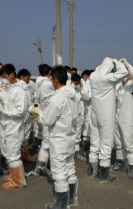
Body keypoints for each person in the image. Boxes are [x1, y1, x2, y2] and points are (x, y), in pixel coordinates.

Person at [31, 66, 78, 208]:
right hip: (70, 138)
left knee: (59, 174)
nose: (51, 82)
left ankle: (61, 206)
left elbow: (48, 120)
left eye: (52, 79)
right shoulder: (73, 95)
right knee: (70, 169)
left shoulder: (58, 97)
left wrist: (39, 111)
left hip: (59, 140)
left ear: (56, 80)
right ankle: (71, 200)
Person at [88, 57, 128, 183]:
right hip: (106, 114)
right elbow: (124, 73)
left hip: (94, 113)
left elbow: (98, 69)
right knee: (106, 142)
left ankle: (92, 171)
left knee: (95, 141)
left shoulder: (93, 76)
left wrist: (107, 63)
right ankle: (104, 175)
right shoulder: (107, 79)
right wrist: (117, 63)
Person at [0, 64, 28, 189]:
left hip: (14, 127)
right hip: (5, 125)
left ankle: (18, 181)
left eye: (4, 76)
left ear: (12, 75)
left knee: (13, 154)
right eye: (1, 76)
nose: (3, 79)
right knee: (8, 152)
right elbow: (0, 101)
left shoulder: (20, 91)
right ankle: (13, 175)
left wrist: (5, 112)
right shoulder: (7, 89)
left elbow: (21, 111)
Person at [113, 58, 133, 179]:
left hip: (127, 119)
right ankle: (120, 162)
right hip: (116, 118)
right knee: (118, 143)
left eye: (126, 74)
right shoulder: (118, 87)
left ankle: (132, 167)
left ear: (128, 75)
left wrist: (127, 65)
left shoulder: (132, 87)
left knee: (128, 144)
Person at [32, 64, 55, 176]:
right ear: (50, 72)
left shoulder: (39, 83)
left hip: (43, 114)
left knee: (47, 142)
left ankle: (42, 166)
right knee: (47, 143)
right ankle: (41, 167)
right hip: (47, 115)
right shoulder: (47, 84)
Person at [17, 69, 35, 163]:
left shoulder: (27, 87)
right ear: (22, 77)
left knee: (26, 134)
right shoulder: (17, 88)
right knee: (20, 136)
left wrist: (34, 110)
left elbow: (31, 100)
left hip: (27, 114)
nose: (28, 81)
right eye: (27, 78)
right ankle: (21, 156)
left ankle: (24, 155)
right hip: (20, 115)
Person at [71, 73, 86, 161]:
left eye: (78, 83)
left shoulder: (79, 90)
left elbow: (87, 97)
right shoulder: (67, 89)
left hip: (78, 115)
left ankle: (76, 153)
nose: (77, 85)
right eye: (76, 83)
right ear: (72, 81)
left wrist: (82, 88)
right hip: (69, 116)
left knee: (77, 135)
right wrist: (70, 88)